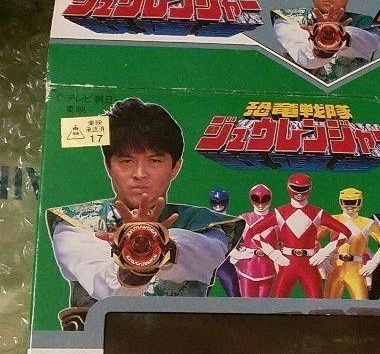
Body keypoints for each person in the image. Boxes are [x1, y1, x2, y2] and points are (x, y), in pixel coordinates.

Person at [46, 98, 239, 328]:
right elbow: (105, 285)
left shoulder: (206, 226)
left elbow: (206, 254)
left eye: (154, 160)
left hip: (181, 344)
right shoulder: (76, 224)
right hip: (99, 346)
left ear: (175, 167)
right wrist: (137, 263)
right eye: (126, 161)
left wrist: (157, 242)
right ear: (108, 166)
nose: (140, 173)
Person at [246, 173, 350, 298]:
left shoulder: (317, 213)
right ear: (289, 188)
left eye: (303, 189)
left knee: (317, 303)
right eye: (296, 188)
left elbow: (346, 232)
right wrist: (272, 253)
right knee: (277, 302)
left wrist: (326, 251)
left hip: (308, 263)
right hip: (288, 262)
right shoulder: (280, 212)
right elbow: (253, 232)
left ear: (309, 189)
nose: (299, 193)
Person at [326, 187, 380, 300]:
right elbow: (313, 238)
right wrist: (323, 259)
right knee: (329, 305)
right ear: (341, 202)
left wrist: (374, 262)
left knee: (361, 304)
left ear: (360, 202)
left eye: (353, 202)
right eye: (346, 202)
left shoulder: (368, 223)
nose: (349, 206)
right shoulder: (332, 219)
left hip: (356, 268)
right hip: (335, 267)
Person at [230, 184, 279, 297]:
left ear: (270, 199)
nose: (260, 204)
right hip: (247, 267)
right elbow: (233, 241)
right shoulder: (243, 218)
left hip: (268, 268)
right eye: (256, 199)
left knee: (263, 304)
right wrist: (240, 253)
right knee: (247, 302)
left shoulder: (277, 219)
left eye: (265, 199)